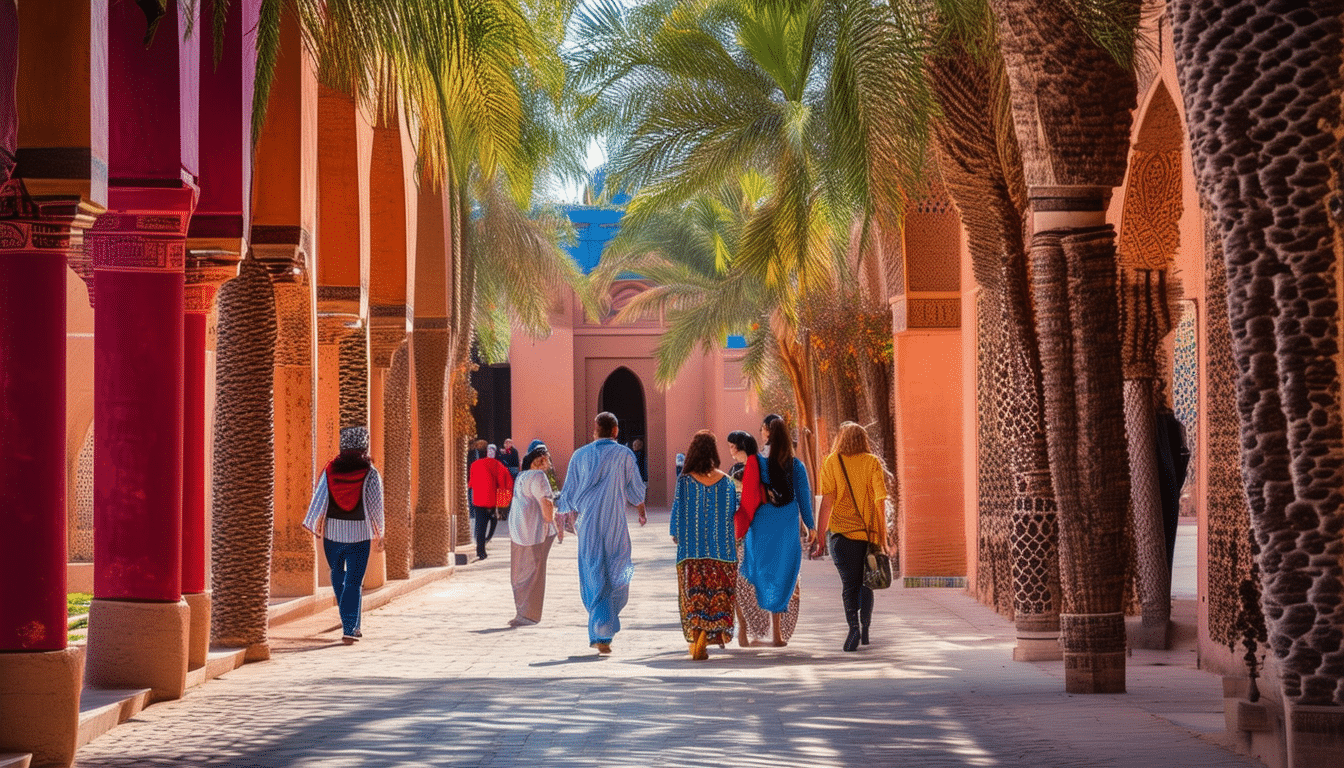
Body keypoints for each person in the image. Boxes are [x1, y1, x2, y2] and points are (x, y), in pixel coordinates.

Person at [557, 411, 648, 654]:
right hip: (615, 525)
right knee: (623, 570)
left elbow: (567, 494)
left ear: (594, 430)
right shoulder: (625, 455)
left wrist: (564, 518)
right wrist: (641, 509)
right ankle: (603, 631)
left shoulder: (580, 456)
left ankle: (601, 625)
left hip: (587, 526)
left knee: (592, 572)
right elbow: (636, 491)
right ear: (616, 431)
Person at [811, 421, 890, 652]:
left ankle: (853, 626)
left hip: (841, 536)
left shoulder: (832, 462)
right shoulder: (872, 462)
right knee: (866, 583)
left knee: (849, 584)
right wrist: (882, 535)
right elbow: (880, 500)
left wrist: (821, 537)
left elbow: (827, 502)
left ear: (841, 439)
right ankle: (865, 629)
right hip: (868, 535)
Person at [303, 426, 385, 644]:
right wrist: (380, 532)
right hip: (360, 535)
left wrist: (312, 522)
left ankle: (351, 623)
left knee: (338, 575)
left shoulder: (330, 470)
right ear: (364, 445)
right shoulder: (370, 472)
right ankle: (350, 626)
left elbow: (319, 497)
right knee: (354, 582)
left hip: (332, 535)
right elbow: (376, 505)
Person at [740, 417, 816, 647]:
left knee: (758, 573)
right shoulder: (796, 464)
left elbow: (749, 495)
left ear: (766, 432)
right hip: (786, 525)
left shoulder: (755, 461)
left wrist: (742, 524)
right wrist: (810, 527)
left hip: (761, 524)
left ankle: (750, 628)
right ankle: (776, 634)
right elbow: (805, 497)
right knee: (783, 574)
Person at [726, 430, 801, 647]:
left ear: (739, 447)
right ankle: (768, 632)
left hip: (753, 529)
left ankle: (747, 630)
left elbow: (749, 502)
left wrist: (736, 529)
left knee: (743, 582)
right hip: (767, 527)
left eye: (732, 445)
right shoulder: (759, 462)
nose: (730, 450)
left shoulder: (752, 464)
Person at [670, 430, 739, 660]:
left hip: (693, 549)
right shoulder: (727, 482)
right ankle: (707, 637)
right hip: (721, 551)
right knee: (717, 594)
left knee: (696, 592)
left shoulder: (685, 480)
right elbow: (732, 512)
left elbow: (678, 510)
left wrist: (675, 533)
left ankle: (698, 634)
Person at [508, 445, 559, 627]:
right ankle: (527, 613)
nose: (547, 464)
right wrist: (551, 520)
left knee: (523, 573)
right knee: (532, 573)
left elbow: (542, 503)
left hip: (524, 532)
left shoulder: (523, 476)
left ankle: (525, 613)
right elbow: (546, 503)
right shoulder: (537, 477)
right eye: (545, 460)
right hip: (532, 532)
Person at [468, 443, 513, 561]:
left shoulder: (475, 464)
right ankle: (486, 540)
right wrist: (503, 503)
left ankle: (481, 551)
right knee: (493, 521)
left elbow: (471, 483)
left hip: (478, 500)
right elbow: (505, 484)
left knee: (480, 525)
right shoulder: (499, 466)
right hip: (491, 501)